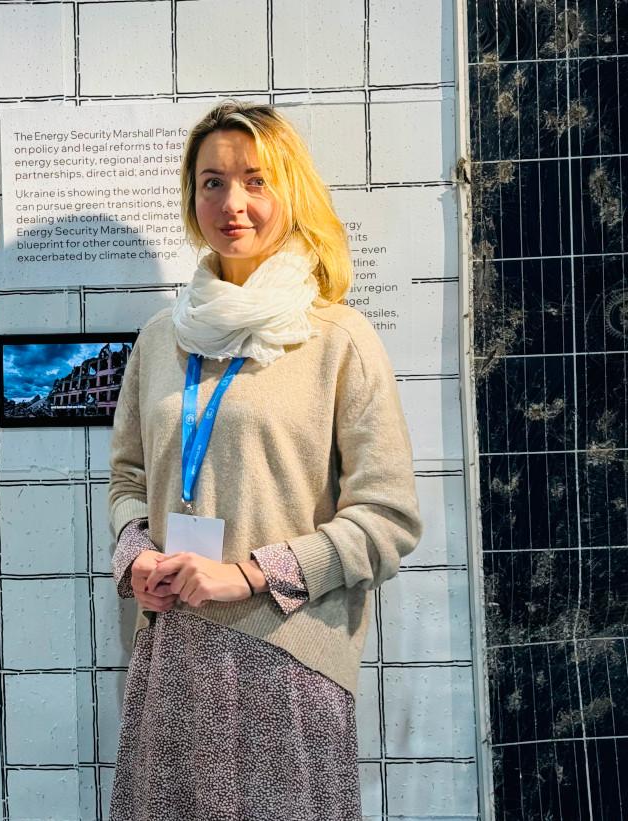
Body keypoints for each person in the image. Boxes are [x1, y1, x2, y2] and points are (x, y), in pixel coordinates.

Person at [107, 101, 422, 820]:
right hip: (172, 658)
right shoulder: (163, 338)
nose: (233, 202)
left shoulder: (338, 338)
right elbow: (127, 476)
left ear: (290, 192)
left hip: (286, 657)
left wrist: (249, 573)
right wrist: (136, 553)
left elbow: (389, 518)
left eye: (255, 179)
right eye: (212, 182)